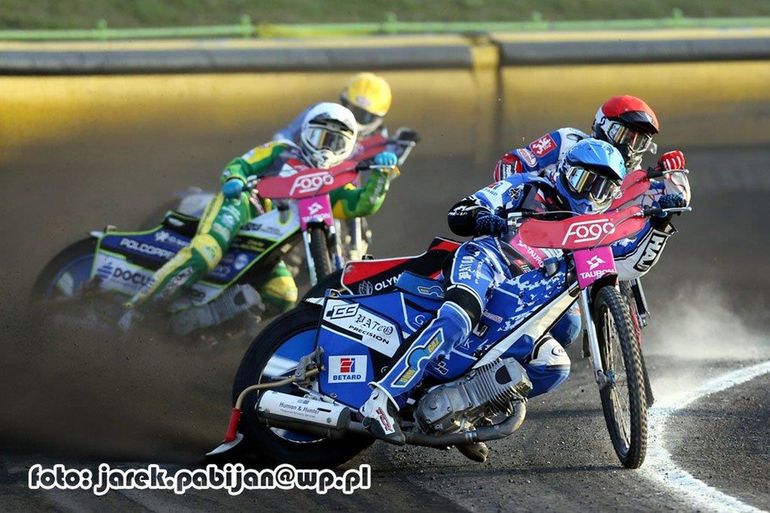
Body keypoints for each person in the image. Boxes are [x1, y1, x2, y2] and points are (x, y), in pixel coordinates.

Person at [120, 102, 398, 328]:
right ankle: (136, 310)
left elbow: (359, 206)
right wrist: (234, 178)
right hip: (243, 207)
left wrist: (381, 177)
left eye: (335, 143)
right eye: (320, 137)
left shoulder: (334, 180)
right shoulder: (282, 151)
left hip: (267, 245)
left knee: (284, 294)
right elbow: (242, 164)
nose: (325, 148)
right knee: (206, 252)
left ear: (348, 148)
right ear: (305, 133)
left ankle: (214, 326)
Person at [492, 95, 691, 342]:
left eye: (639, 142)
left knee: (568, 328)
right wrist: (512, 200)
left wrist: (675, 174)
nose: (629, 148)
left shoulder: (633, 175)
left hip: (589, 237)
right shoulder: (567, 140)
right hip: (541, 230)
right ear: (602, 125)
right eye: (624, 135)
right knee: (561, 324)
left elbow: (675, 202)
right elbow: (512, 163)